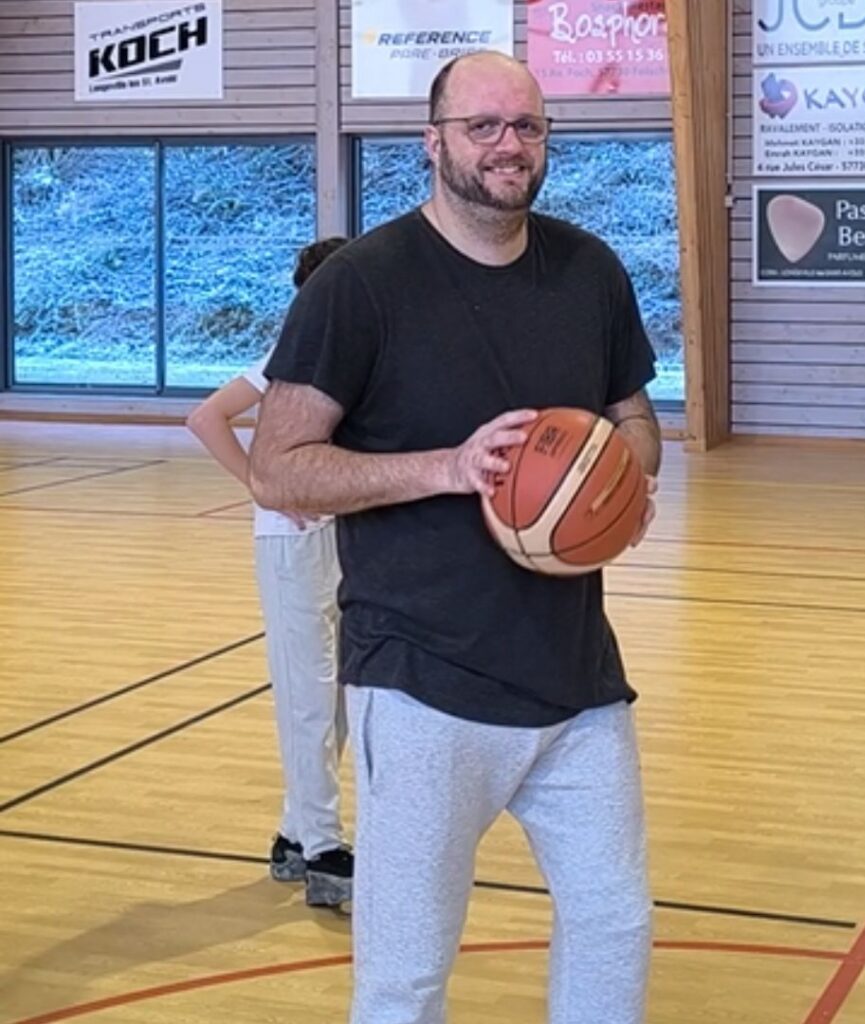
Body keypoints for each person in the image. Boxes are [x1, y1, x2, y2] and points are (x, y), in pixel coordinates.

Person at [249, 51, 662, 1024]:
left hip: (577, 680)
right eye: (483, 126)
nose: (507, 145)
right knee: (406, 972)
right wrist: (445, 466)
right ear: (431, 142)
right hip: (424, 678)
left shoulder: (588, 270)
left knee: (614, 922)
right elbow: (278, 465)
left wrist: (626, 473)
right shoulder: (360, 285)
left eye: (526, 126)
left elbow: (635, 417)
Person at [186, 236, 354, 908]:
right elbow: (206, 417)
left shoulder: (351, 361)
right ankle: (324, 850)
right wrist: (262, 483)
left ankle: (292, 834)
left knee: (339, 702)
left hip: (343, 538)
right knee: (309, 698)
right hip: (291, 545)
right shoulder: (286, 358)